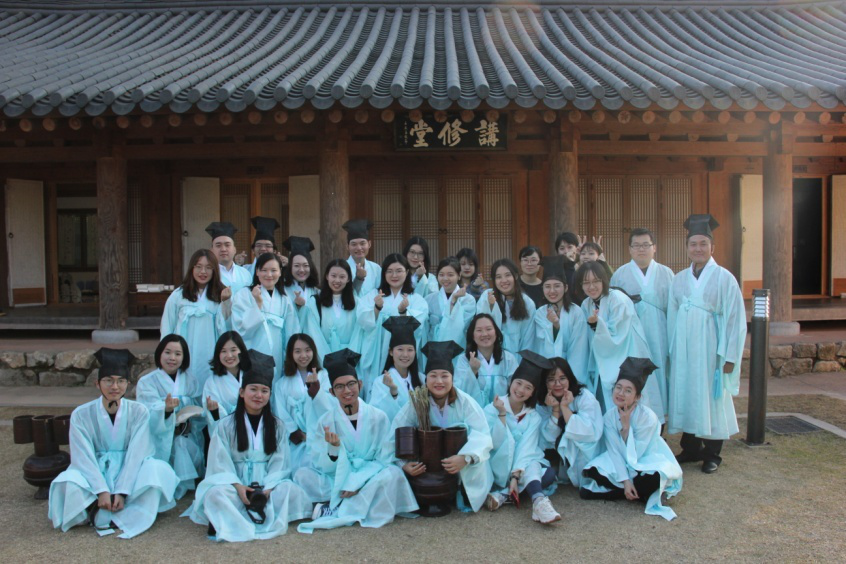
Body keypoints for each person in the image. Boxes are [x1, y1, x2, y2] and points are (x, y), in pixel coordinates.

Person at [48, 349, 178, 539]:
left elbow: (137, 453)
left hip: (128, 469)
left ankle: (119, 506)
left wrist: (122, 491)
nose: (114, 386)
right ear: (97, 383)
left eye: (120, 381)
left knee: (158, 469)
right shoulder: (81, 414)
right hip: (95, 468)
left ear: (128, 384)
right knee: (66, 481)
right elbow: (83, 456)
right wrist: (101, 490)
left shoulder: (139, 411)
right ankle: (98, 504)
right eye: (108, 381)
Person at [187, 350, 312, 541]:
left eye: (264, 391)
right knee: (214, 494)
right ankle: (242, 513)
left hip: (267, 485)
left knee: (289, 489)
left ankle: (232, 516)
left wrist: (268, 488)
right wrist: (238, 486)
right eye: (253, 389)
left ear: (269, 395)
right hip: (235, 484)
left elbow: (280, 463)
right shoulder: (225, 425)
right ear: (242, 392)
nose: (258, 395)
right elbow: (219, 462)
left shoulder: (277, 425)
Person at [296, 349, 419, 532]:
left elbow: (384, 457)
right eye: (339, 387)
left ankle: (336, 507)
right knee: (302, 474)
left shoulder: (378, 417)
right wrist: (333, 450)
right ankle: (354, 504)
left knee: (393, 474)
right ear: (331, 392)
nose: (347, 391)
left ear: (360, 384)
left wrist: (358, 481)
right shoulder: (325, 422)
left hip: (368, 475)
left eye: (351, 384)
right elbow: (321, 464)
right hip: (338, 476)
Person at [668, 214, 746, 474]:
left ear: (713, 246)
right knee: (688, 392)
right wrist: (672, 350)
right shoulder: (679, 279)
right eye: (693, 244)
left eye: (703, 243)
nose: (698, 249)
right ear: (687, 247)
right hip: (684, 349)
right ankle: (690, 448)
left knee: (712, 397)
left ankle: (712, 453)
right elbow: (671, 317)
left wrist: (730, 356)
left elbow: (735, 320)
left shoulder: (725, 278)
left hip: (712, 348)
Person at [389, 341, 495, 513]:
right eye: (433, 376)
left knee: (477, 463)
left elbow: (483, 435)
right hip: (429, 467)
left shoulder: (465, 402)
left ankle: (463, 491)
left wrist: (465, 458)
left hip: (459, 464)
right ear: (426, 379)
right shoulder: (416, 402)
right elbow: (396, 434)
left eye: (445, 376)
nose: (439, 381)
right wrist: (404, 464)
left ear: (452, 378)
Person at [580, 358, 682, 521]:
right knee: (592, 471)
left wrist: (626, 428)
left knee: (656, 476)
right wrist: (626, 481)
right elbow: (614, 451)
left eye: (628, 390)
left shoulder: (647, 417)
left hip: (645, 462)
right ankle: (633, 491)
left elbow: (637, 454)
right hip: (620, 462)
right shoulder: (609, 417)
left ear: (637, 396)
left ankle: (621, 491)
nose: (621, 393)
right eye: (618, 387)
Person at [484, 351, 561, 525]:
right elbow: (493, 443)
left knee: (546, 471)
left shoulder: (533, 416)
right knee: (535, 469)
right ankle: (531, 497)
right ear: (511, 382)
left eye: (528, 387)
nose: (520, 390)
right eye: (518, 383)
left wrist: (516, 476)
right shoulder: (492, 408)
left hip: (521, 467)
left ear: (533, 392)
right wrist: (502, 414)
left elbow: (526, 447)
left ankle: (523, 499)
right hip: (498, 463)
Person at [611, 228, 674, 422]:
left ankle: (659, 423)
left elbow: (673, 310)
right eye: (636, 245)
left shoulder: (666, 273)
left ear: (654, 248)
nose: (641, 249)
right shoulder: (620, 274)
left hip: (660, 334)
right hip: (632, 336)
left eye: (646, 245)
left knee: (660, 374)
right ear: (629, 249)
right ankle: (634, 421)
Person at [577, 261, 657, 415]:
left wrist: (596, 325)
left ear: (604, 280)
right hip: (603, 359)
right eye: (586, 282)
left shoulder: (618, 299)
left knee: (630, 397)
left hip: (627, 354)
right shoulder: (586, 304)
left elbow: (618, 335)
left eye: (596, 281)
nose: (591, 287)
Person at [135, 334, 204, 500]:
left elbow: (198, 406)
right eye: (167, 352)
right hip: (159, 436)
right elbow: (146, 411)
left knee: (183, 444)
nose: (172, 358)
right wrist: (165, 410)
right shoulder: (147, 382)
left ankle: (185, 482)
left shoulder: (190, 379)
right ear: (160, 353)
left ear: (184, 357)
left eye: (178, 354)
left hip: (186, 432)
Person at [358, 253, 429, 398]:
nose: (394, 275)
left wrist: (404, 312)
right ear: (383, 274)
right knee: (377, 382)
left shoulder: (415, 299)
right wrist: (376, 308)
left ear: (407, 272)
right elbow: (363, 320)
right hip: (378, 349)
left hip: (402, 351)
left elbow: (419, 324)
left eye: (399, 271)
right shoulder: (373, 295)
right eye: (389, 271)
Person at [161, 249, 229, 387]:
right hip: (183, 349)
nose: (203, 272)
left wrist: (226, 302)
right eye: (198, 267)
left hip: (210, 349)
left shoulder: (221, 294)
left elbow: (227, 325)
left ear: (214, 270)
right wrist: (167, 352)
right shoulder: (178, 295)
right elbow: (167, 325)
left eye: (208, 267)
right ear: (192, 268)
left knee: (208, 384)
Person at [230, 252, 301, 380]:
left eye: (274, 270)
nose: (269, 275)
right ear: (257, 271)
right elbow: (240, 328)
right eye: (264, 270)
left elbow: (292, 330)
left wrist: (290, 356)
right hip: (252, 351)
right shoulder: (244, 294)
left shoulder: (284, 299)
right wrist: (257, 304)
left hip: (277, 355)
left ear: (280, 272)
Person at [536, 358, 603, 487]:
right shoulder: (542, 403)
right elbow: (548, 438)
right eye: (551, 380)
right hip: (556, 453)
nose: (557, 384)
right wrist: (556, 409)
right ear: (545, 382)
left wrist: (565, 408)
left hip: (584, 452)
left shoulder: (584, 396)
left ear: (569, 378)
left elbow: (588, 433)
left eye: (562, 378)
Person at [271, 334, 333, 471]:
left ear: (313, 351)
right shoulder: (281, 384)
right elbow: (281, 413)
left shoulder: (323, 376)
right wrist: (297, 433)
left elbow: (330, 405)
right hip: (298, 442)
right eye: (297, 351)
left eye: (307, 350)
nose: (303, 355)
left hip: (321, 435)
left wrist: (316, 391)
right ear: (290, 354)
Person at [530, 255, 589, 380]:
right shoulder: (540, 313)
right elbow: (541, 347)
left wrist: (571, 379)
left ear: (566, 287)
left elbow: (579, 349)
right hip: (547, 372)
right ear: (542, 288)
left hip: (572, 371)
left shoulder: (576, 312)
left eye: (557, 286)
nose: (552, 291)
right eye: (547, 286)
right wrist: (555, 327)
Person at [301, 259, 365, 362]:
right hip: (322, 358)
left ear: (348, 279)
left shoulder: (357, 303)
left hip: (350, 360)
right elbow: (313, 333)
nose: (337, 280)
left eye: (342, 277)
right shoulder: (315, 302)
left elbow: (359, 333)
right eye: (333, 276)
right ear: (327, 276)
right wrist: (327, 360)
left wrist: (349, 360)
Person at [453, 313, 519, 406]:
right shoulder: (464, 360)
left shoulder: (508, 359)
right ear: (472, 335)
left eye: (488, 329)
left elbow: (516, 389)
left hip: (502, 411)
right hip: (472, 412)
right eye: (479, 330)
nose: (484, 334)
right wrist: (472, 371)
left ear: (496, 332)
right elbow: (458, 392)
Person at [369, 317, 424, 421]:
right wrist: (393, 393)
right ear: (391, 352)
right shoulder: (380, 382)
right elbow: (377, 416)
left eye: (410, 350)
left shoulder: (422, 379)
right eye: (400, 349)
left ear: (415, 352)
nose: (405, 354)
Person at [477, 258, 536, 354]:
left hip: (518, 357)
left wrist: (522, 360)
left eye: (508, 275)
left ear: (515, 276)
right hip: (491, 355)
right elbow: (481, 326)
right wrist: (491, 306)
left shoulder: (527, 303)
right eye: (498, 277)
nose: (503, 280)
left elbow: (529, 338)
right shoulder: (486, 296)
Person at [203, 331, 248, 434]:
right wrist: (214, 410)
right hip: (227, 433)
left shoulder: (251, 374)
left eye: (233, 350)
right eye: (223, 351)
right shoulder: (211, 382)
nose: (229, 355)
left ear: (241, 351)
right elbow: (214, 418)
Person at [425, 257, 476, 348]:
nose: (445, 278)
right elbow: (425, 328)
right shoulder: (429, 299)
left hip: (458, 347)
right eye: (441, 275)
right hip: (433, 348)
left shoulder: (468, 300)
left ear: (459, 275)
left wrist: (454, 301)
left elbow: (461, 327)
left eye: (450, 275)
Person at [282, 236, 320, 327]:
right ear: (290, 267)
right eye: (296, 266)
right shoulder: (282, 290)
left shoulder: (317, 291)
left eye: (305, 265)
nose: (301, 270)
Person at [206, 222, 252, 294]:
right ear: (211, 250)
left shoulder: (245, 274)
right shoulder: (207, 274)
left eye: (227, 245)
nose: (223, 249)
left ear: (234, 249)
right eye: (218, 245)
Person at [343, 219, 381, 297]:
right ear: (347, 246)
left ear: (369, 244)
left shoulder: (376, 268)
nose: (359, 248)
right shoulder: (342, 267)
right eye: (354, 244)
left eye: (362, 243)